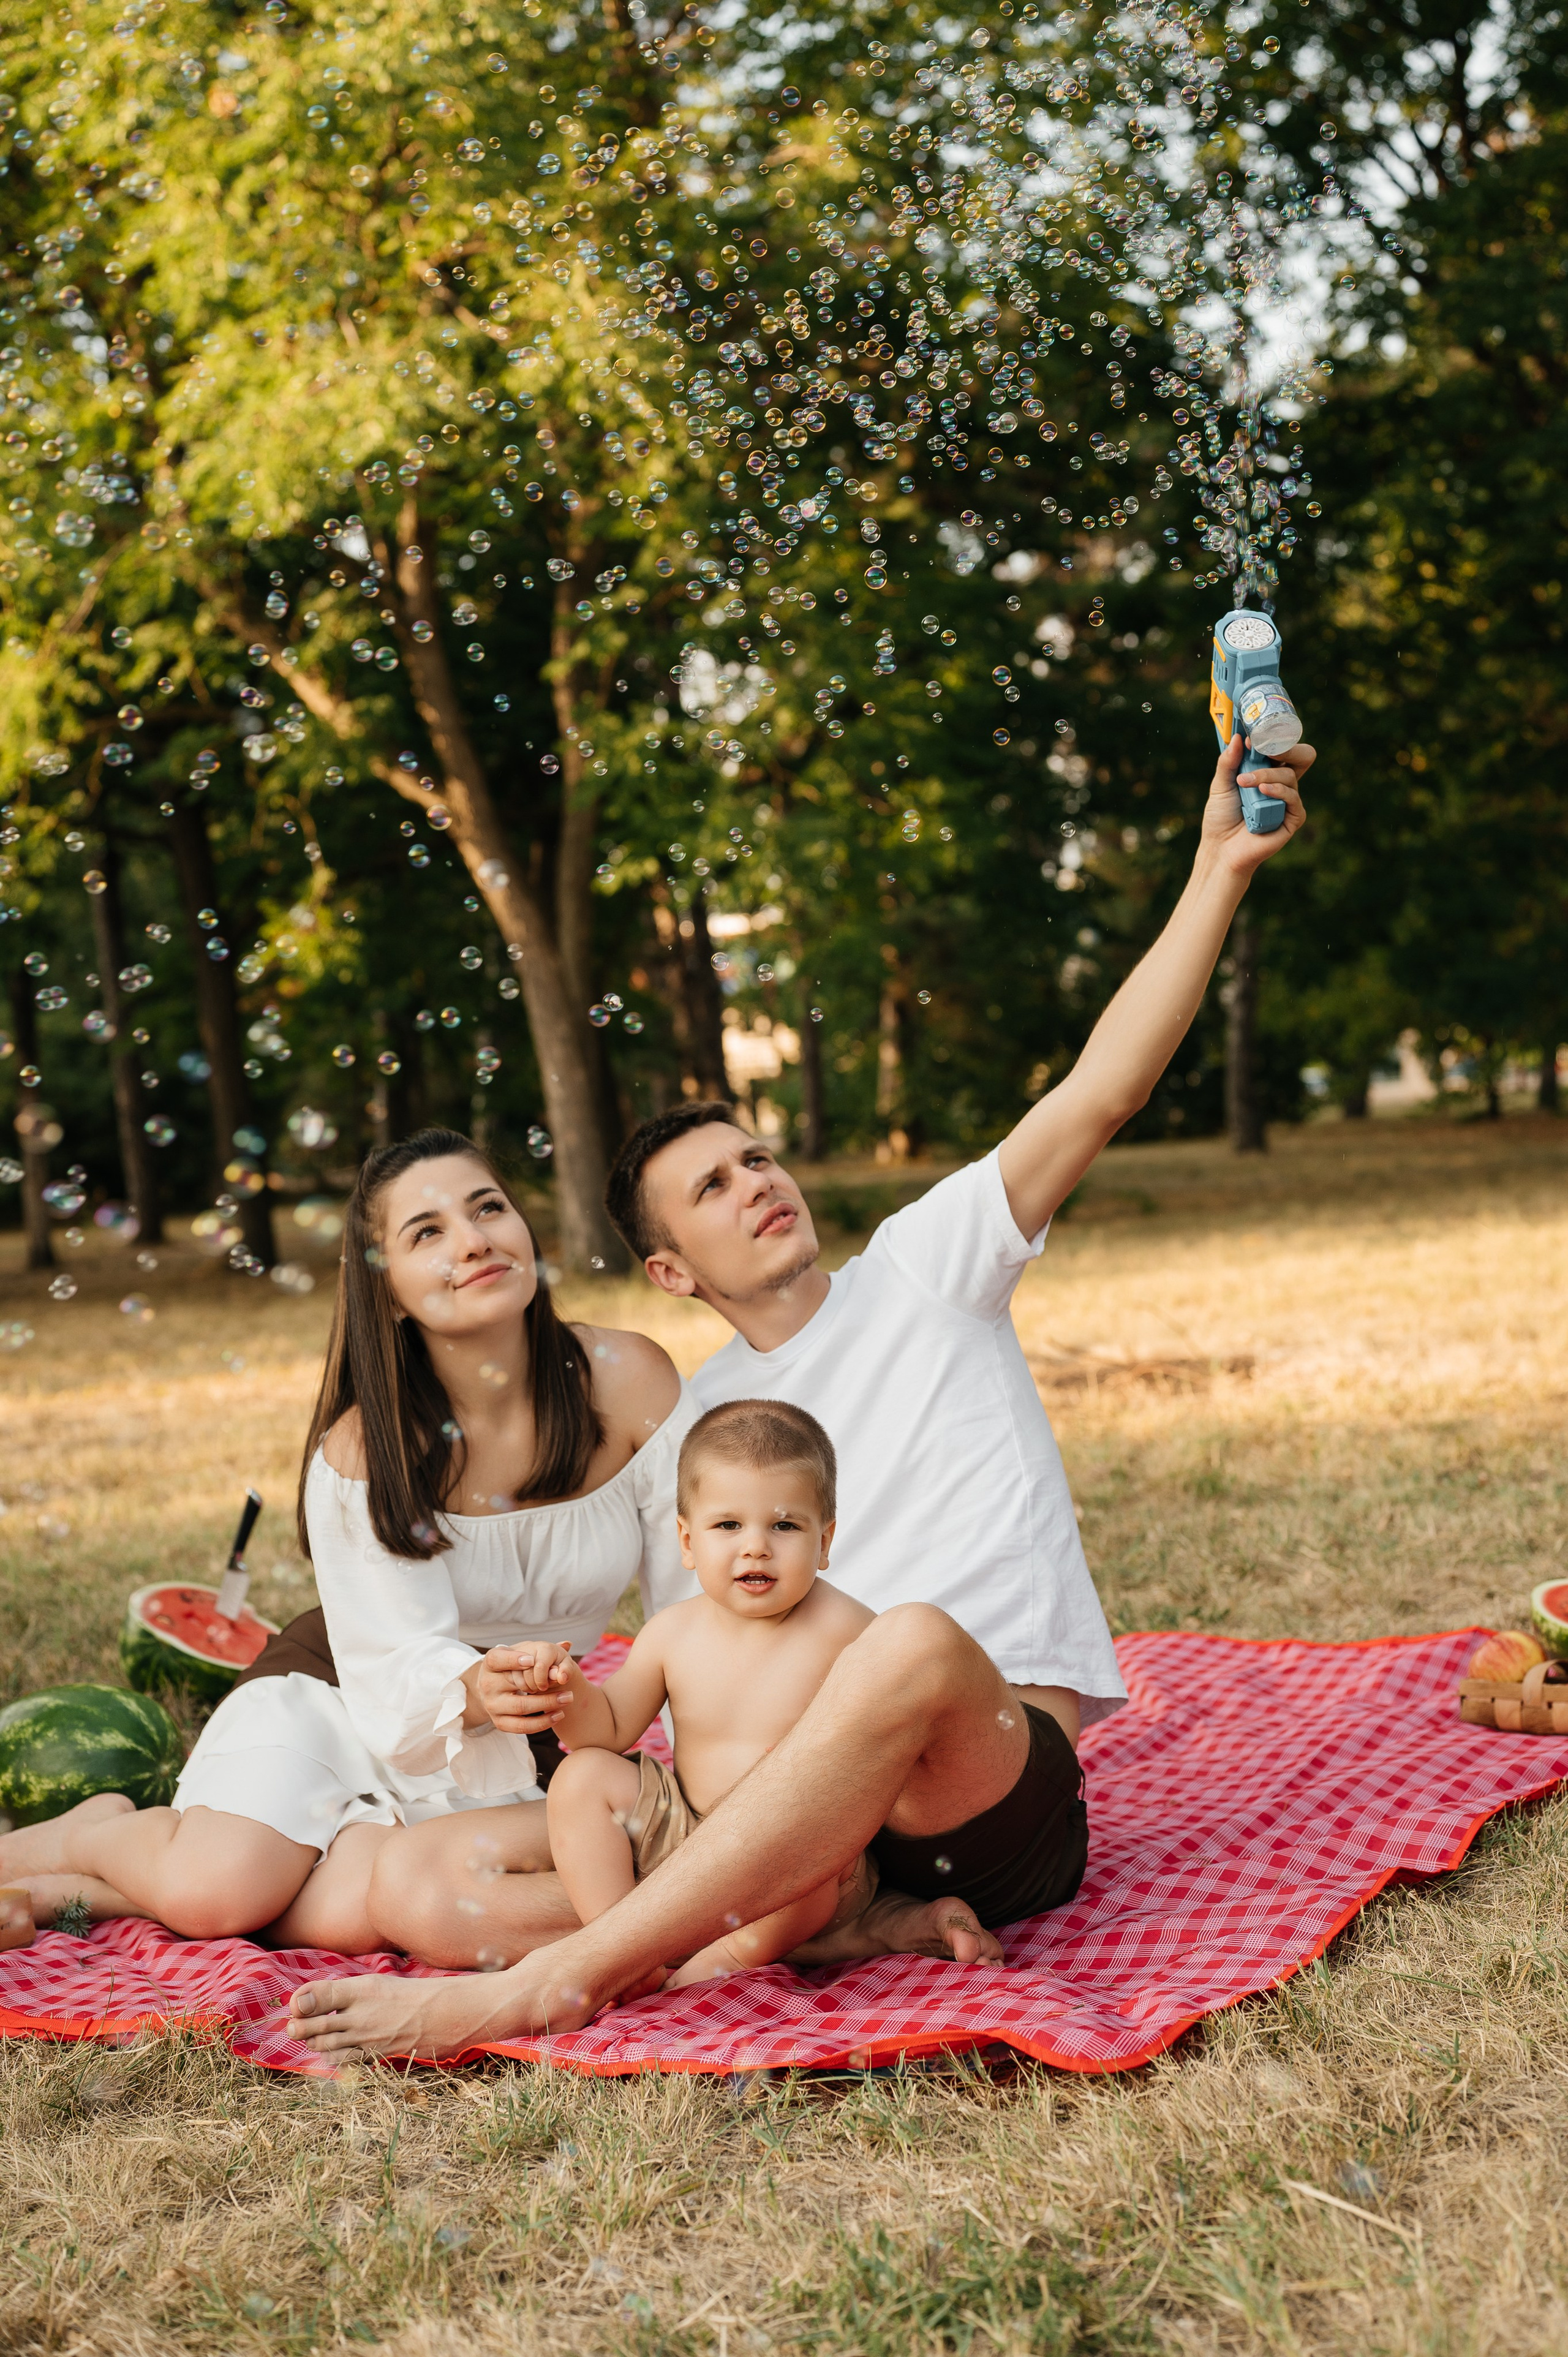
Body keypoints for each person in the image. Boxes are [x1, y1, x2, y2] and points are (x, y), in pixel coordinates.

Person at [286, 723, 1311, 2059]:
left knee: (904, 1636)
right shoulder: (709, 1432)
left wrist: (1218, 867)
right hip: (817, 1838)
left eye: (759, 1157)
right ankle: (819, 1926)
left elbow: (1098, 1090)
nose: (757, 1183)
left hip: (981, 1798)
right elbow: (688, 1664)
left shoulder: (927, 1268)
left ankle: (562, 1980)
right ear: (667, 1266)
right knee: (443, 1884)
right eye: (712, 1186)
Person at [0, 1128, 698, 1955]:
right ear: (391, 1291)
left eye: (488, 1209)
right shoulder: (365, 1448)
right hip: (349, 1686)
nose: (473, 1239)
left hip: (521, 1738)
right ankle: (96, 1831)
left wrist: (713, 1760)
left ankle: (81, 1900)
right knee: (218, 1891)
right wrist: (472, 1688)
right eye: (426, 1232)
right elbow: (392, 1658)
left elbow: (696, 1598)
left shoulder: (631, 1381)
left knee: (343, 1918)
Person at [524, 1400, 886, 1986]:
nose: (756, 1547)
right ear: (688, 1542)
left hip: (797, 1864)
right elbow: (608, 1727)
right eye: (728, 1526)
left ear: (825, 1541)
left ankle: (724, 1961)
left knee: (814, 1855)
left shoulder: (848, 1630)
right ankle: (618, 1946)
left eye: (785, 1526)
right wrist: (567, 1691)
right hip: (689, 1843)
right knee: (582, 1775)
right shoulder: (672, 1632)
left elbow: (896, 1734)